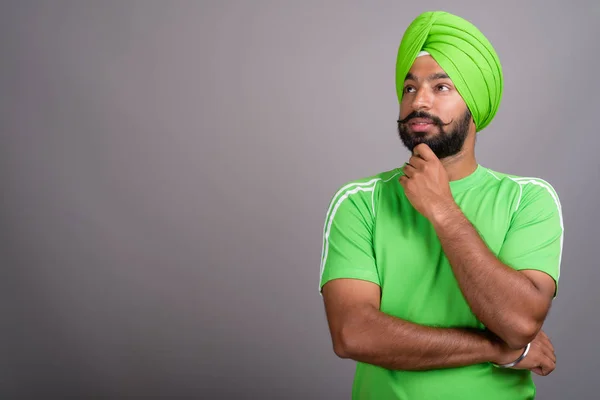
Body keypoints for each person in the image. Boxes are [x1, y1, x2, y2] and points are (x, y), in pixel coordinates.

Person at [318, 10, 563, 400]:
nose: (420, 102)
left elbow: (519, 322)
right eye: (410, 89)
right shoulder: (360, 201)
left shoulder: (527, 200)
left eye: (442, 87)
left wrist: (443, 211)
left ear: (475, 105)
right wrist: (493, 348)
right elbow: (353, 333)